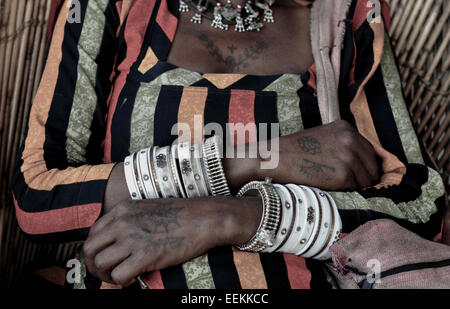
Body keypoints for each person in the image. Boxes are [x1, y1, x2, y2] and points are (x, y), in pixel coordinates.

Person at [13, 0, 447, 289]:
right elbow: (38, 194)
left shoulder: (343, 13)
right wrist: (255, 161)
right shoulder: (108, 6)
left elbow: (421, 203)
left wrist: (228, 216)